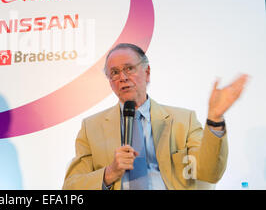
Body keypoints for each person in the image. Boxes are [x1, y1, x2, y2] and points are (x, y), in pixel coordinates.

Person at [62, 43, 248, 190]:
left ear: (147, 72)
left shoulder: (183, 120)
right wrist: (109, 173)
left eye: (129, 69)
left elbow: (209, 172)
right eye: (115, 73)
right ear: (110, 82)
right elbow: (71, 186)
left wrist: (215, 118)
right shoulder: (91, 127)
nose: (123, 77)